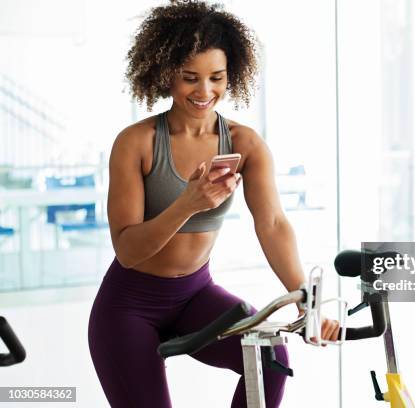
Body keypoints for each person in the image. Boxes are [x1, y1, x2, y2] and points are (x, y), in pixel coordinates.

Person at [87, 1, 340, 407]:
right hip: (128, 307)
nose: (204, 92)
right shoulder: (136, 143)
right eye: (190, 78)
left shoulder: (244, 143)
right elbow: (128, 251)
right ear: (166, 73)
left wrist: (307, 301)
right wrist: (188, 202)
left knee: (268, 355)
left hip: (194, 296)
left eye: (216, 78)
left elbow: (272, 224)